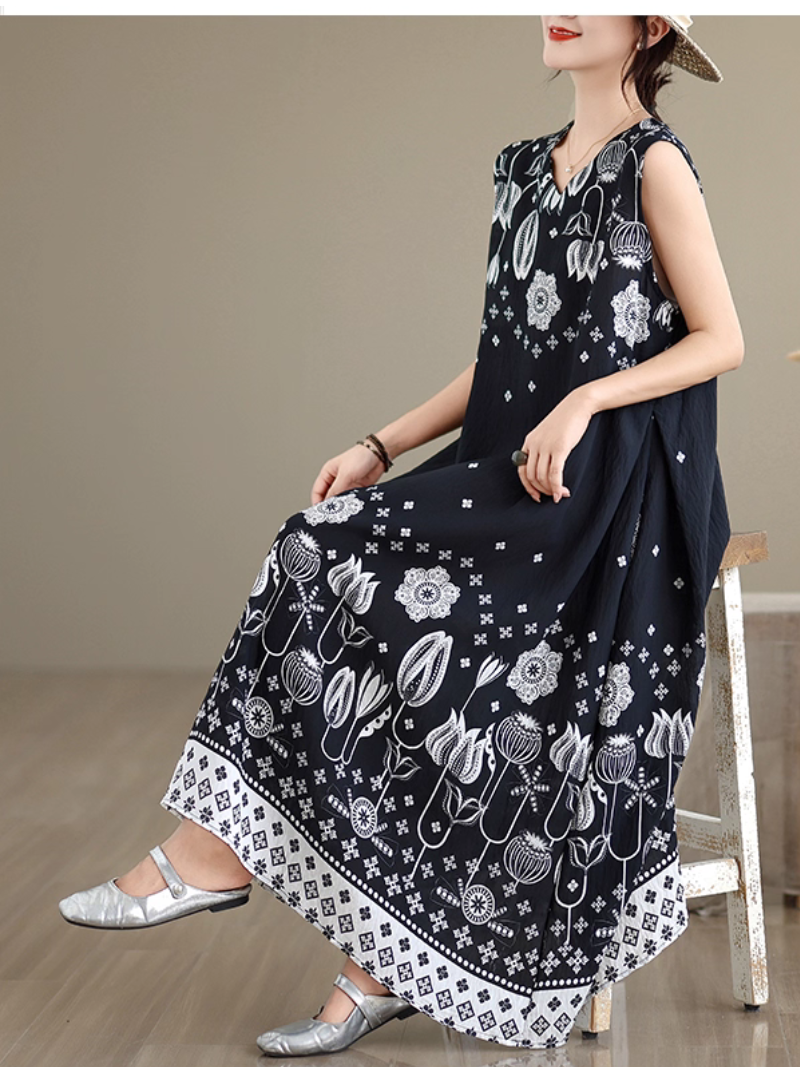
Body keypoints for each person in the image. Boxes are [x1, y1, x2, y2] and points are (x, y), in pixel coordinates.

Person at [58, 14, 742, 1054]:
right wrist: (383, 441)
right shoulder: (521, 169)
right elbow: (501, 351)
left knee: (475, 664)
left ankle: (366, 962)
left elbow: (719, 336)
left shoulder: (654, 166)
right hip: (513, 471)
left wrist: (585, 403)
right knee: (314, 545)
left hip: (607, 499)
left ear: (645, 27)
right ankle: (216, 860)